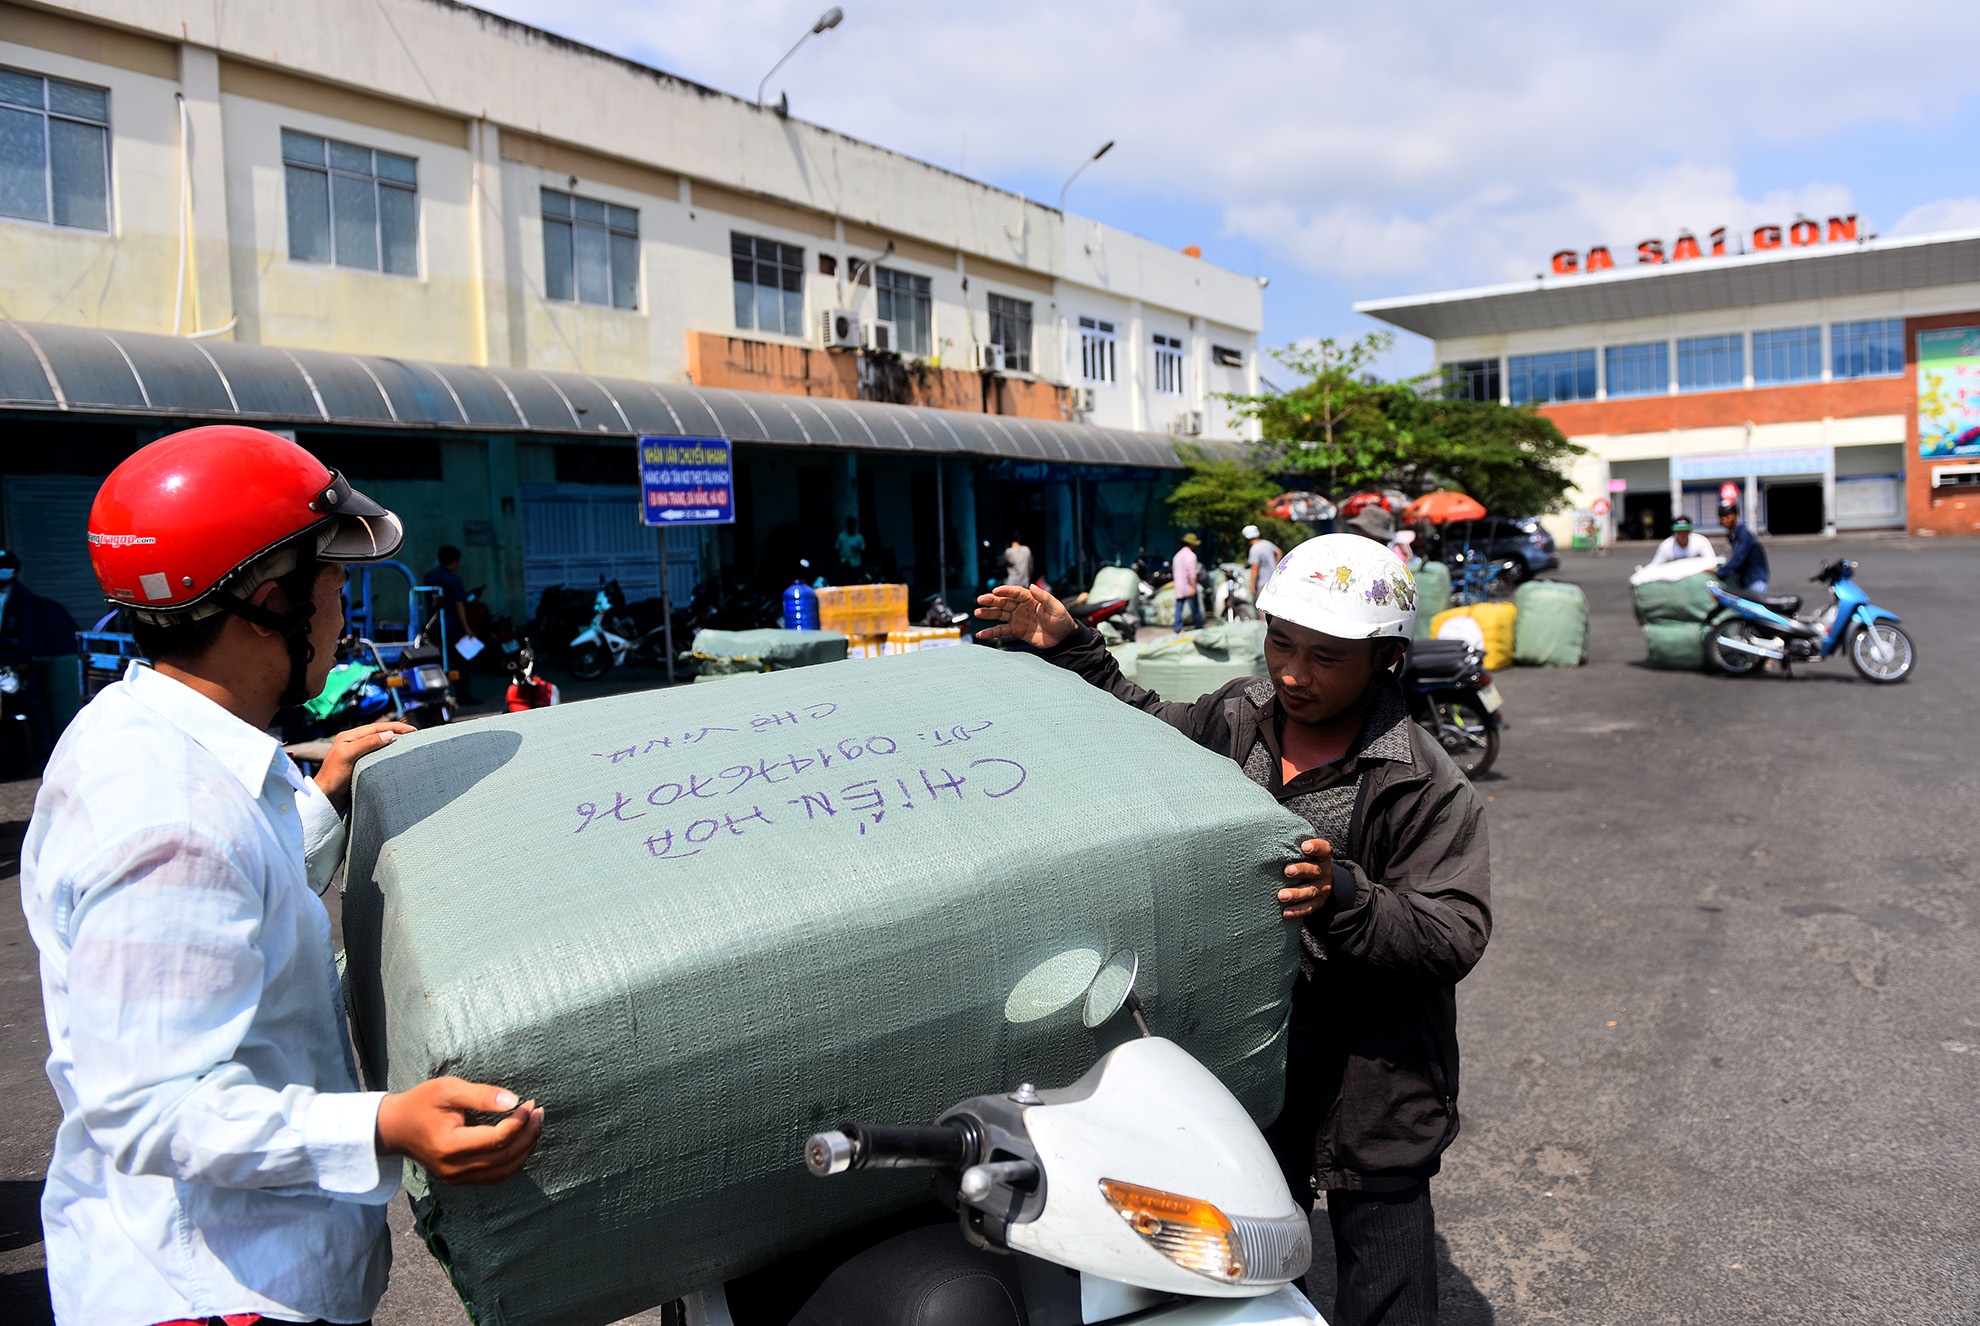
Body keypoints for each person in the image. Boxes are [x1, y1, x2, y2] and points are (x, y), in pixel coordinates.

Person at [24, 425, 544, 1326]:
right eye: (334, 579)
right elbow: (153, 1110)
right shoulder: (172, 817)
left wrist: (325, 797)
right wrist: (387, 1124)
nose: (345, 608)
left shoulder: (148, 738)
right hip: (217, 1295)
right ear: (272, 604)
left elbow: (227, 911)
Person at [976, 534, 1490, 1326]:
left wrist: (1345, 896)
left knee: (1385, 1271)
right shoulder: (1239, 715)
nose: (1294, 672)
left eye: (1326, 657)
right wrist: (1075, 646)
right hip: (1250, 1050)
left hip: (1375, 1067)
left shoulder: (1423, 782)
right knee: (1239, 1256)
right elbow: (1151, 727)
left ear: (1385, 657)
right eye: (1281, 642)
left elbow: (1454, 931)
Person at [0, 548, 80, 765]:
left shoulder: (25, 600)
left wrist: (24, 656)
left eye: (6, 567)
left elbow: (28, 631)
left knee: (32, 701)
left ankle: (40, 745)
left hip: (19, 660)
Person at [424, 544, 480, 702]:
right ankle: (463, 695)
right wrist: (467, 627)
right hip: (453, 626)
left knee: (438, 662)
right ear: (455, 561)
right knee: (462, 662)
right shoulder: (454, 579)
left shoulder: (430, 576)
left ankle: (438, 696)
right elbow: (459, 604)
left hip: (435, 626)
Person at [1716, 501, 1770, 592]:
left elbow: (1738, 559)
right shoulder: (1733, 535)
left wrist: (1719, 572)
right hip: (1745, 582)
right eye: (1721, 516)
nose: (1724, 519)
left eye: (1727, 516)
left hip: (1755, 582)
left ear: (1736, 515)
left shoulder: (1744, 534)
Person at [1649, 515, 1716, 566]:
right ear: (1675, 532)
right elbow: (1655, 565)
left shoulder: (1701, 541)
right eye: (1679, 531)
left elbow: (1712, 561)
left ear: (1690, 531)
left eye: (1685, 531)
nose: (1683, 534)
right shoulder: (1666, 545)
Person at [1171, 532, 1204, 632]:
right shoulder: (1191, 556)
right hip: (1188, 586)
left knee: (1179, 607)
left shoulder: (1177, 555)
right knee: (1195, 608)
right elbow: (1192, 574)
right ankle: (1199, 626)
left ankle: (1177, 627)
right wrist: (1193, 588)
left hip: (1179, 586)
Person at [1244, 523, 1282, 602]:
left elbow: (1255, 569)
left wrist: (1252, 585)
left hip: (1262, 584)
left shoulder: (1254, 549)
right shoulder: (1266, 543)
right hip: (1274, 580)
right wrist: (1276, 565)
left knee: (1260, 605)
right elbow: (1279, 552)